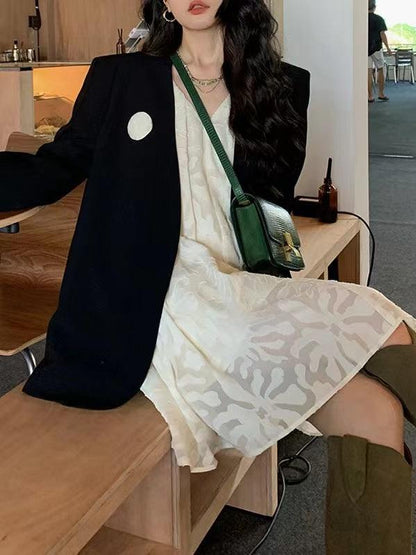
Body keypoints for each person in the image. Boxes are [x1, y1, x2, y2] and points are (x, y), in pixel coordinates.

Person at [0, 0, 415, 552]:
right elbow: (52, 167)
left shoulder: (281, 86)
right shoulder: (122, 78)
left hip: (236, 289)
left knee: (384, 362)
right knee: (377, 381)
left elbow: (271, 210)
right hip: (158, 305)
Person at [368, 0, 392, 102]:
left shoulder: (362, 18)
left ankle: (369, 96)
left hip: (365, 49)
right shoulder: (379, 19)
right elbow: (382, 34)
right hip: (377, 48)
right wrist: (388, 48)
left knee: (368, 71)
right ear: (374, 7)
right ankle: (381, 94)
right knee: (380, 69)